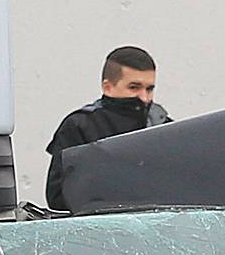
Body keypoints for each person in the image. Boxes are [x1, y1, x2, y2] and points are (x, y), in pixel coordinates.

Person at [45, 46, 170, 209]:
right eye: (134, 87)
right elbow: (59, 196)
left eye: (149, 89)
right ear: (108, 87)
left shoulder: (163, 126)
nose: (144, 97)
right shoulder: (80, 125)